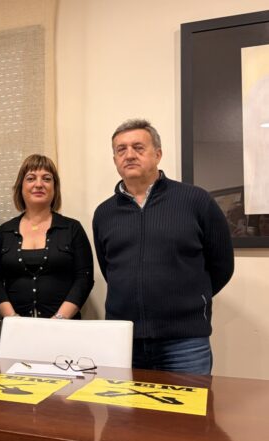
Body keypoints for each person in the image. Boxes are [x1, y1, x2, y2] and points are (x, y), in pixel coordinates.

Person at [92, 119, 234, 374]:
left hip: (185, 343)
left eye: (138, 147)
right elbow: (109, 269)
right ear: (115, 160)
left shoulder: (196, 200)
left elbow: (222, 265)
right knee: (127, 403)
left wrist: (191, 298)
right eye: (121, 149)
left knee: (191, 402)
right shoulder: (104, 213)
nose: (129, 155)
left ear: (157, 154)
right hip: (124, 341)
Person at [0, 154, 94, 320]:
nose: (39, 184)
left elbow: (84, 278)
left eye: (46, 179)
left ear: (55, 187)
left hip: (64, 327)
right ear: (20, 187)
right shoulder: (4, 232)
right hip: (17, 329)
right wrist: (13, 319)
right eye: (31, 178)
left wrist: (58, 320)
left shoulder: (72, 229)